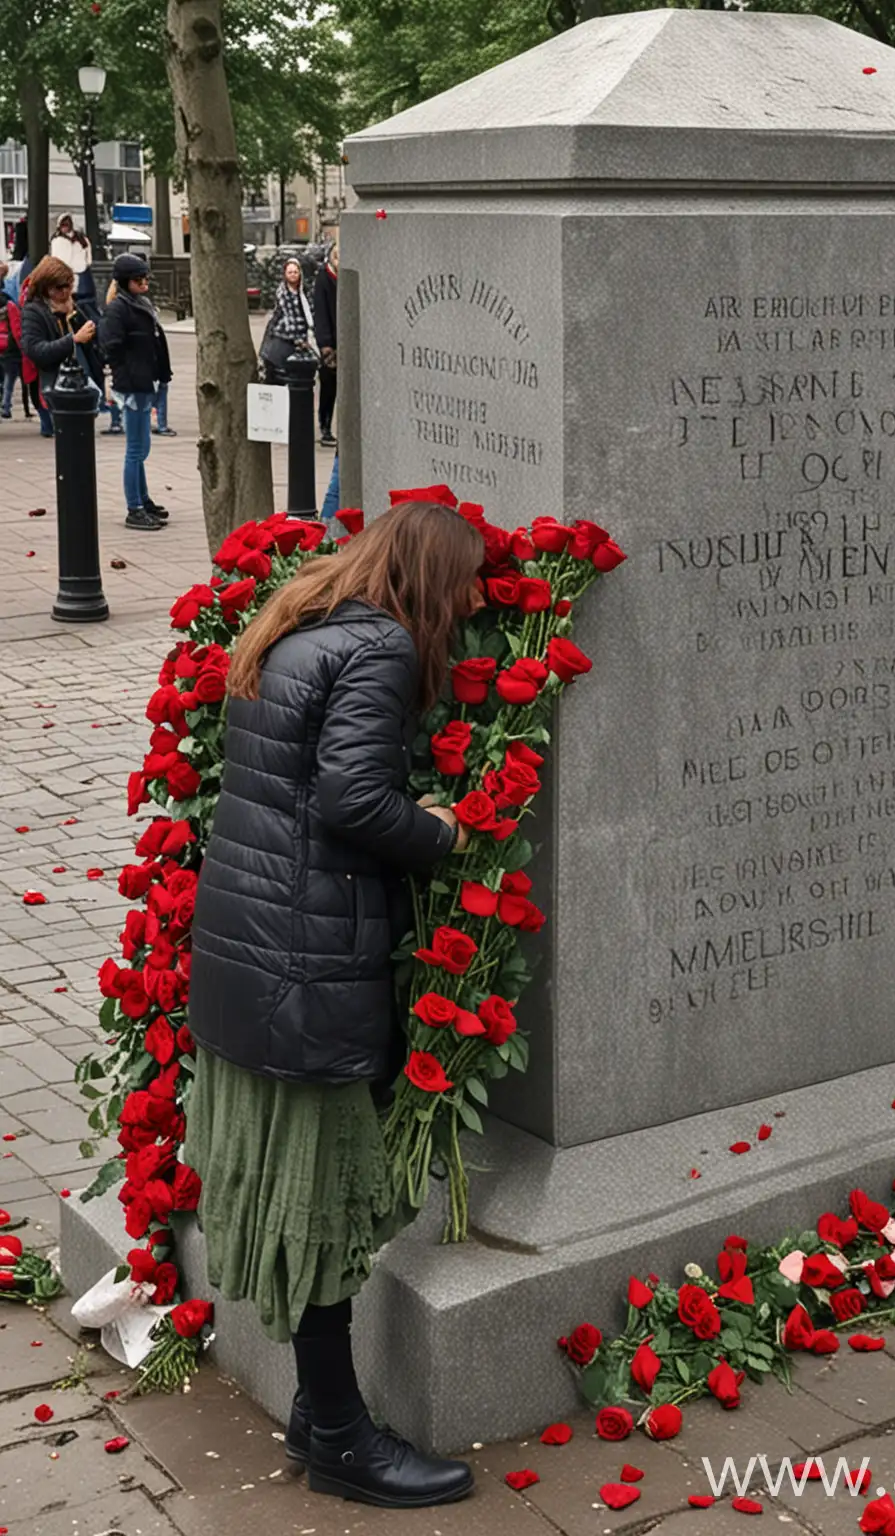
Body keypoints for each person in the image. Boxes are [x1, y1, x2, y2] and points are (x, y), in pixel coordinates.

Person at [183, 500, 487, 1510]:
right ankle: (342, 1439)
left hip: (253, 943)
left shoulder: (305, 622)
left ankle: (321, 1416)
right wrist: (444, 832)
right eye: (468, 581)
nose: (478, 598)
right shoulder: (384, 650)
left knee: (310, 1180)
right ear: (428, 577)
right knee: (322, 1191)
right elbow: (354, 799)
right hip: (305, 959)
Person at [98, 255, 173, 532]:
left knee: (141, 448)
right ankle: (135, 507)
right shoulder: (119, 309)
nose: (145, 283)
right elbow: (111, 346)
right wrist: (127, 371)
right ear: (127, 282)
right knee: (136, 449)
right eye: (139, 279)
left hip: (144, 380)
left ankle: (142, 499)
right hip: (133, 383)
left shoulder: (138, 303)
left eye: (145, 278)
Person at [19, 254, 98, 439]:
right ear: (46, 288)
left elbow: (94, 338)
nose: (65, 292)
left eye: (69, 285)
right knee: (67, 443)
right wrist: (73, 339)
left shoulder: (71, 307)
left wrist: (79, 321)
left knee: (80, 440)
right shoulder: (33, 311)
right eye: (60, 287)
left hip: (80, 384)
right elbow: (36, 350)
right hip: (54, 387)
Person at [263, 258, 314, 381]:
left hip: (300, 340)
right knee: (279, 376)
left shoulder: (304, 292)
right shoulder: (282, 293)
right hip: (282, 339)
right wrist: (299, 340)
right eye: (290, 272)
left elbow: (310, 313)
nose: (293, 275)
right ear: (285, 274)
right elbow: (290, 318)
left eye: (295, 272)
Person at [312, 241, 338, 446]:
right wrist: (325, 344)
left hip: (347, 339)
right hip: (330, 341)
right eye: (336, 256)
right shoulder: (324, 278)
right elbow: (320, 313)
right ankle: (325, 425)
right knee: (328, 387)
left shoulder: (347, 276)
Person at [1, 268, 24, 419]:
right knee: (10, 378)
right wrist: (22, 346)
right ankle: (6, 406)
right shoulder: (9, 305)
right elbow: (16, 328)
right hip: (9, 348)